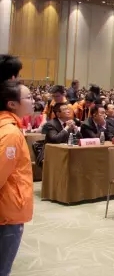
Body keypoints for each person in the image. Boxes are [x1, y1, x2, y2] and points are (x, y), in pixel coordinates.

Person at [0, 79, 34, 275]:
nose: (33, 101)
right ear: (12, 104)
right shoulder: (10, 133)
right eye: (28, 97)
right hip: (8, 211)